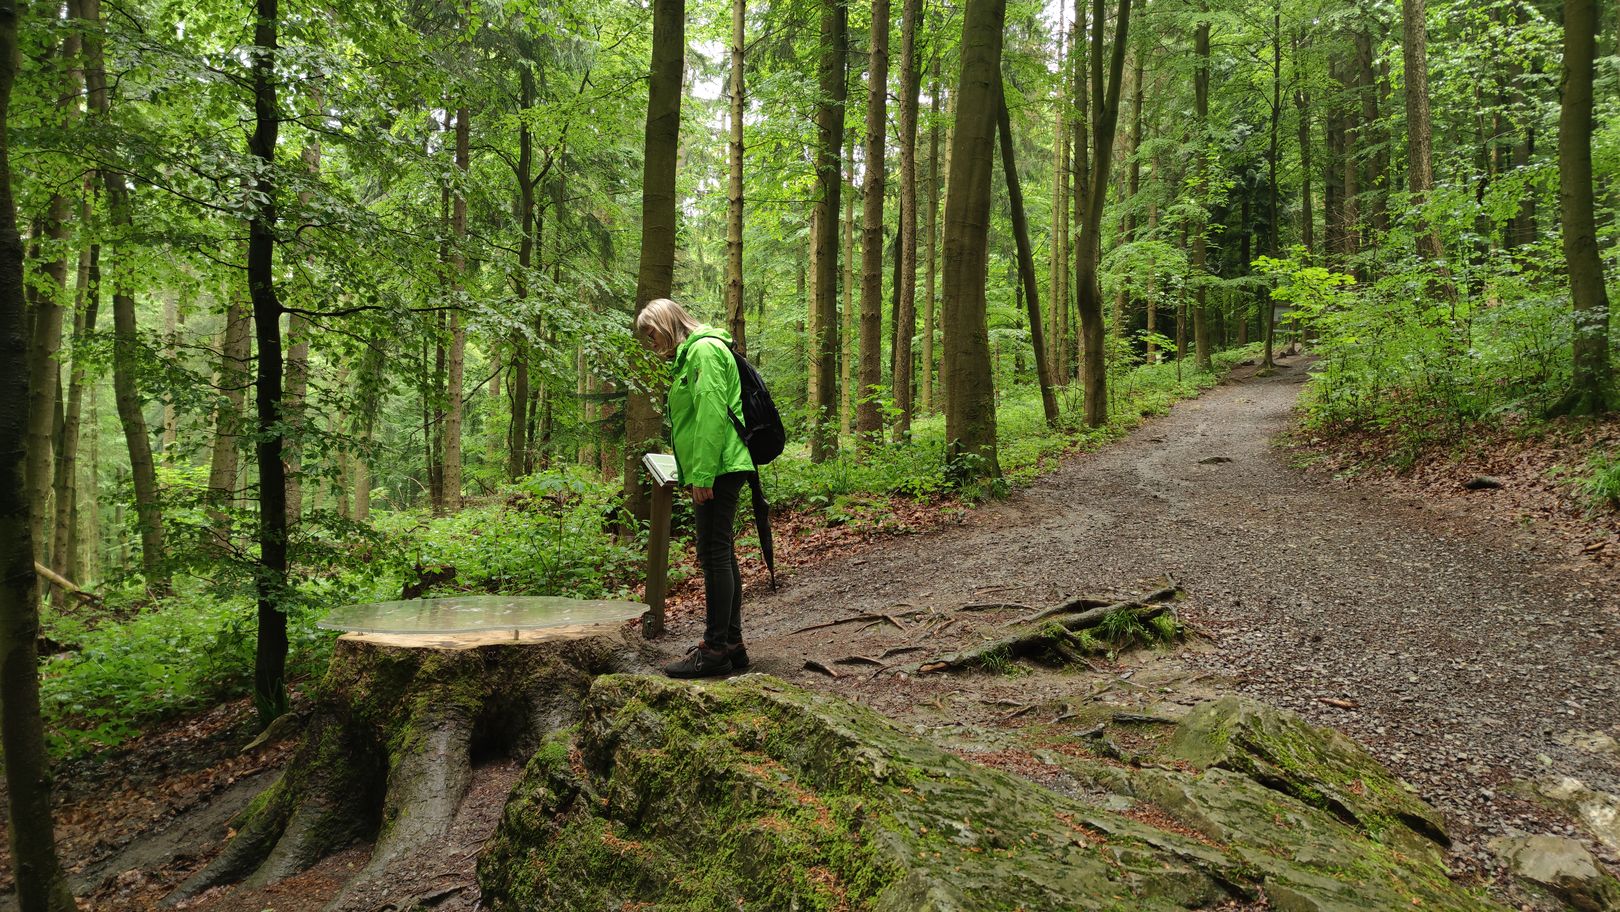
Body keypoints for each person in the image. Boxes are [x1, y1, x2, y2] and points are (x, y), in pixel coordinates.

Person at [636, 298, 756, 678]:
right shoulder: (696, 353)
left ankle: (715, 648)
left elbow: (710, 412)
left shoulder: (703, 350)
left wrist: (702, 475)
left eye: (651, 333)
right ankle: (731, 643)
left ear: (666, 323)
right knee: (720, 551)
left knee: (713, 553)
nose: (650, 343)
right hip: (717, 465)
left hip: (718, 466)